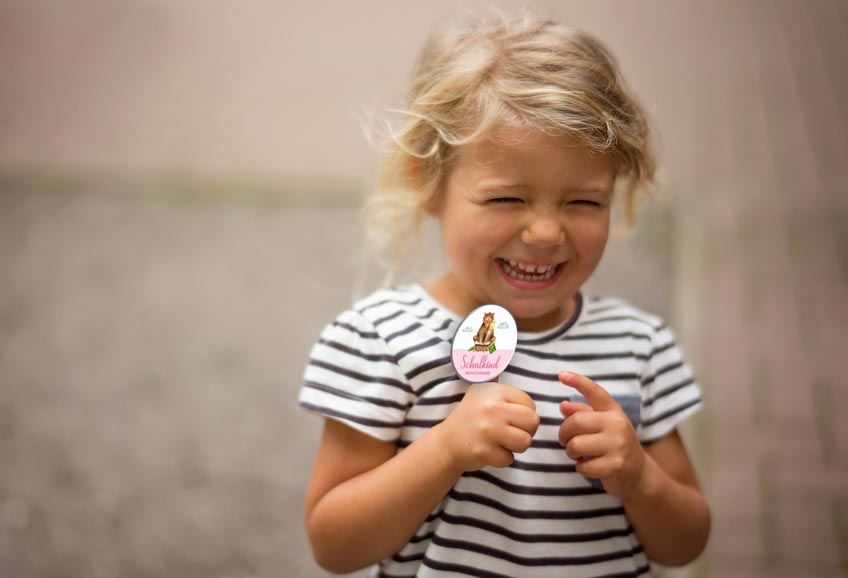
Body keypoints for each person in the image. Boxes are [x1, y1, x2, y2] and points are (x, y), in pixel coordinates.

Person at [299, 11, 710, 578]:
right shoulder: (379, 340)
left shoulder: (639, 346)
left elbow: (686, 542)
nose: (546, 232)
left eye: (584, 202)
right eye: (506, 199)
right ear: (428, 182)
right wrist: (445, 450)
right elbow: (334, 544)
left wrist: (639, 477)